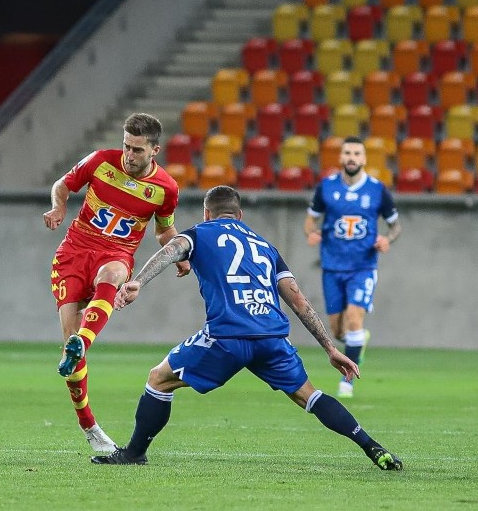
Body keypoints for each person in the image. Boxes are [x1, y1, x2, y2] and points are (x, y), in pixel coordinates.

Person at [91, 186, 403, 471]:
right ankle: (372, 446)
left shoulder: (199, 233)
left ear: (206, 213)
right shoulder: (265, 246)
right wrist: (330, 348)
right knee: (308, 395)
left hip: (227, 337)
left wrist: (137, 282)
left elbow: (171, 250)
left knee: (159, 380)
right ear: (240, 215)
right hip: (271, 338)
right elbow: (296, 298)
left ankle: (134, 453)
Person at [43, 112, 191, 453]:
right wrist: (57, 207)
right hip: (74, 252)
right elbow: (63, 185)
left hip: (117, 253)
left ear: (154, 150)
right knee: (71, 354)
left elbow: (164, 229)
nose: (129, 155)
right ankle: (89, 425)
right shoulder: (101, 161)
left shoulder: (165, 189)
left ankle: (82, 341)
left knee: (112, 276)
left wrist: (180, 254)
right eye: (126, 146)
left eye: (137, 150)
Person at [303, 136, 401, 398]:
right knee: (337, 331)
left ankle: (347, 382)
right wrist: (311, 234)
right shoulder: (326, 188)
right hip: (332, 267)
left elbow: (395, 227)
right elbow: (309, 222)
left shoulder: (378, 190)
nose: (352, 157)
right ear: (341, 157)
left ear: (364, 158)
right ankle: (358, 340)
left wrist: (386, 240)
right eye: (347, 153)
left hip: (363, 267)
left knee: (354, 321)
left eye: (357, 153)